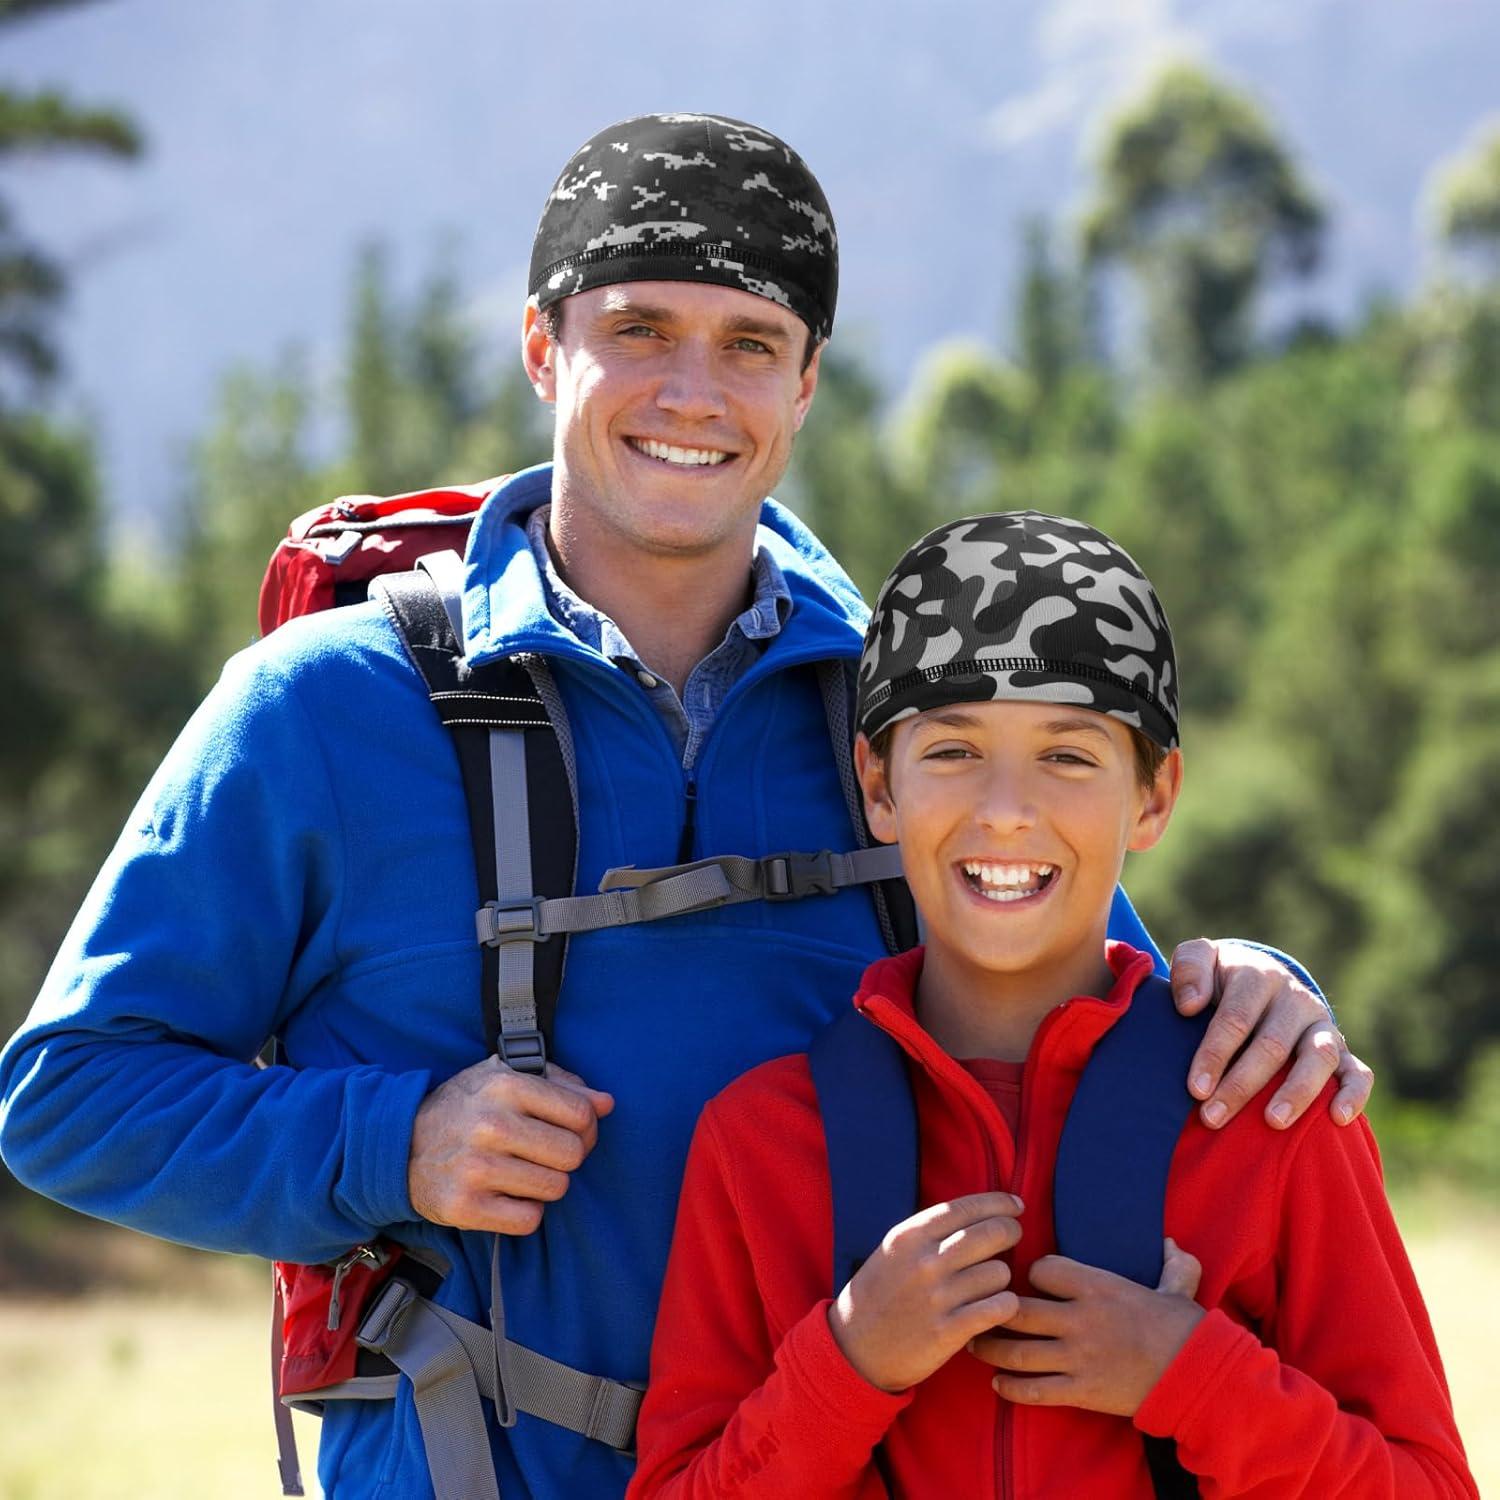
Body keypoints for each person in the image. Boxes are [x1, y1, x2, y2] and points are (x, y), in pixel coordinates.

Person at [0, 115, 1369, 1500]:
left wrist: (1256, 984)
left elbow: (1087, 979)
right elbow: (67, 1096)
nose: (692, 392)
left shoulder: (907, 715)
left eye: (750, 345)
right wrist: (389, 1143)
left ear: (808, 382)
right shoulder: (328, 707)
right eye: (640, 328)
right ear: (544, 348)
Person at [628, 510, 1475, 1500]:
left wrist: (1192, 1378)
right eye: (951, 750)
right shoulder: (764, 1141)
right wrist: (850, 1364)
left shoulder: (1274, 1116)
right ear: (877, 786)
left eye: (1069, 756)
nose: (1005, 809)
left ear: (1154, 798)